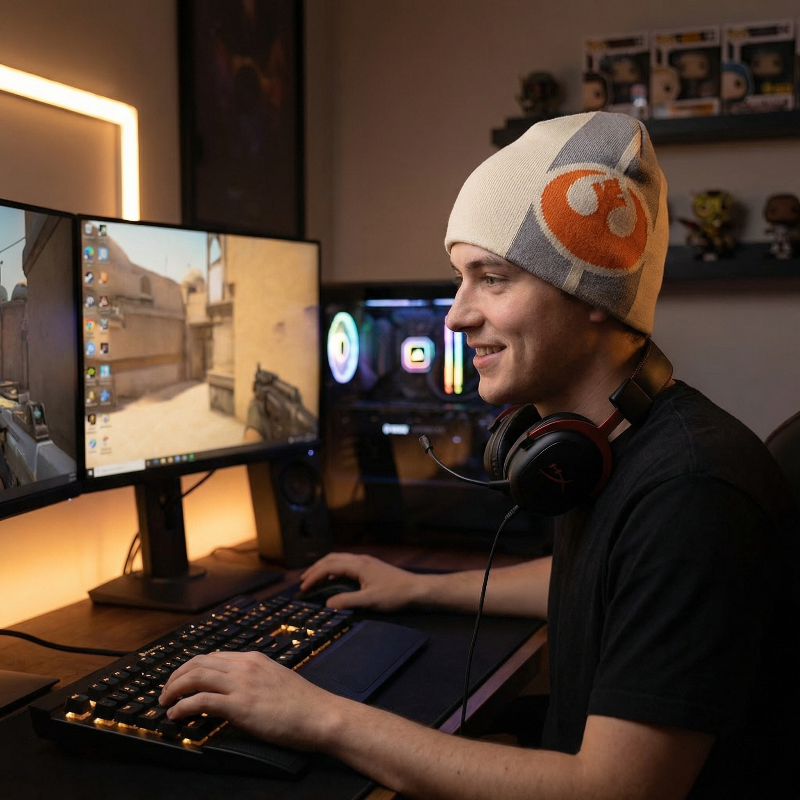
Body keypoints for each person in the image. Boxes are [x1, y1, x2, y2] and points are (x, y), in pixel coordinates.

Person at [159, 112, 798, 799]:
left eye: (491, 278)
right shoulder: (621, 447)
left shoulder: (693, 495)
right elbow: (606, 575)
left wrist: (316, 715)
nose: (456, 316)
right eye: (461, 278)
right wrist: (420, 586)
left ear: (594, 288)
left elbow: (612, 790)